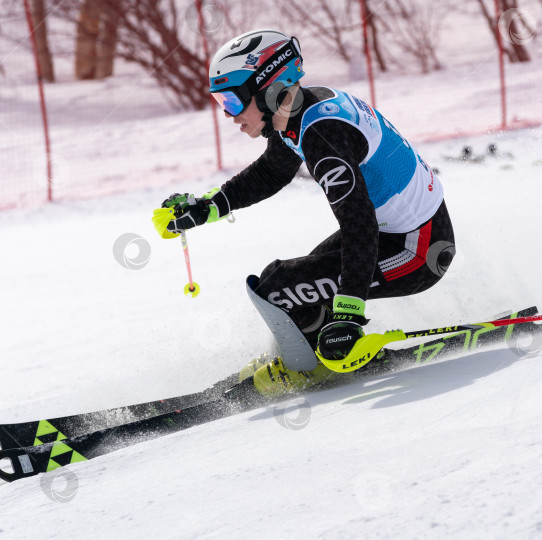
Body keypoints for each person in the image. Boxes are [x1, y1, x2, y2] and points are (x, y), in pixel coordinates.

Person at [153, 29, 455, 397]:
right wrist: (207, 208)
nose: (229, 116)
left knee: (279, 288)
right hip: (404, 232)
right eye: (221, 103)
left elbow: (358, 224)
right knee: (293, 283)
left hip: (418, 252)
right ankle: (308, 354)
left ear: (268, 90)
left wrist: (348, 314)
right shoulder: (299, 112)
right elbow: (271, 172)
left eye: (232, 102)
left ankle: (310, 368)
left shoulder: (321, 134)